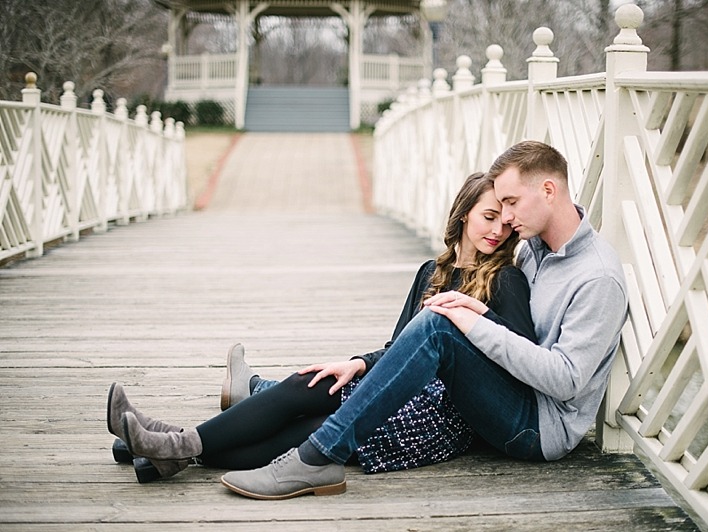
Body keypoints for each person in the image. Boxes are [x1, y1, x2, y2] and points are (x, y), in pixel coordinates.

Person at [203, 140, 630, 500]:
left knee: (439, 323)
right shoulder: (535, 249)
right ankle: (175, 447)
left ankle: (317, 455)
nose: (506, 221)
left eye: (512, 204)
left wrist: (474, 319)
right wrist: (367, 359)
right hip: (503, 395)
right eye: (497, 208)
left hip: (539, 429)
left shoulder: (597, 278)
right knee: (320, 384)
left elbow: (565, 381)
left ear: (550, 191)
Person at [107, 171, 536, 483]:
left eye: (505, 222)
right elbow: (399, 347)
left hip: (440, 415)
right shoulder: (431, 271)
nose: (498, 230)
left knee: (308, 431)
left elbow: (520, 358)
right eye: (488, 217)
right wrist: (356, 364)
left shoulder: (506, 280)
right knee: (309, 382)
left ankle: (170, 447)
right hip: (395, 384)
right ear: (464, 215)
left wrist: (477, 316)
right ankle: (168, 447)